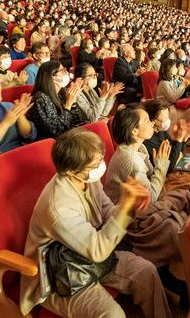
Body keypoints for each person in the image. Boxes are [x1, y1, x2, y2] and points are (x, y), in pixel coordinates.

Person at [19, 127, 170, 317]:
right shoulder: (58, 207)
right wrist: (124, 209)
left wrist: (129, 203)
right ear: (71, 171)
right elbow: (98, 250)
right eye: (95, 164)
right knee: (112, 315)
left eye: (100, 160)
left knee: (145, 272)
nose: (101, 167)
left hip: (88, 259)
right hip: (60, 275)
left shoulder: (87, 180)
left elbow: (107, 213)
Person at [105, 106, 190, 269]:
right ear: (134, 131)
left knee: (182, 193)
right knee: (172, 224)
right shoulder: (129, 159)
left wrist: (161, 166)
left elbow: (153, 179)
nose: (152, 124)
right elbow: (151, 196)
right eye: (146, 121)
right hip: (128, 216)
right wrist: (161, 164)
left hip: (142, 204)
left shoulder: (139, 147)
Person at [27, 60, 85, 139]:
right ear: (52, 77)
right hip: (51, 141)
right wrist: (68, 104)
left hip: (68, 135)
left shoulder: (62, 92)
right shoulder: (40, 98)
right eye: (62, 71)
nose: (66, 73)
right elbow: (57, 130)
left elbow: (80, 122)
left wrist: (73, 103)